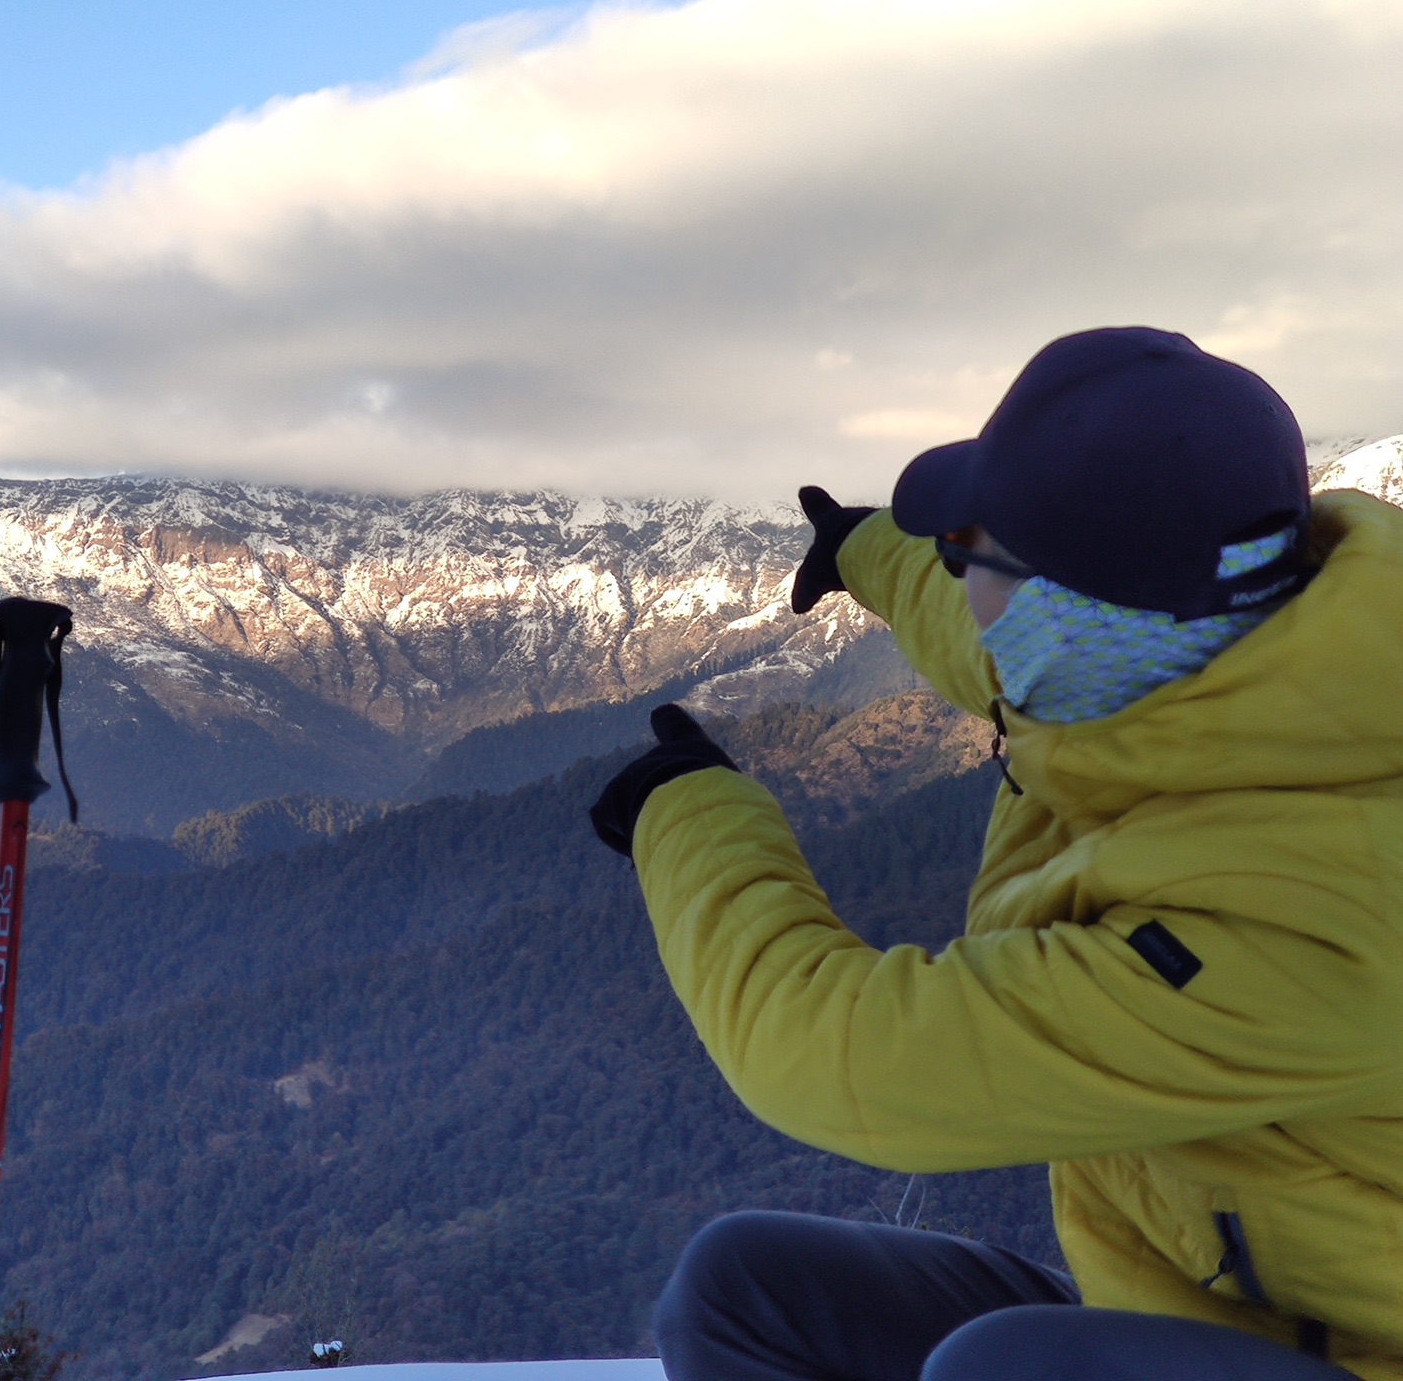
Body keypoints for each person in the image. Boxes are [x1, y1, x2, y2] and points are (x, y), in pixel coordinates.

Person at [589, 327, 1403, 1380]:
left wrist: (686, 809)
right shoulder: (1205, 664)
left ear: (1071, 615)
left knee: (1011, 1366)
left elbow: (835, 1058)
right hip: (1197, 1306)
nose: (958, 574)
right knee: (743, 1291)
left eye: (975, 551)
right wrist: (858, 548)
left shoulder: (1321, 920)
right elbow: (985, 635)